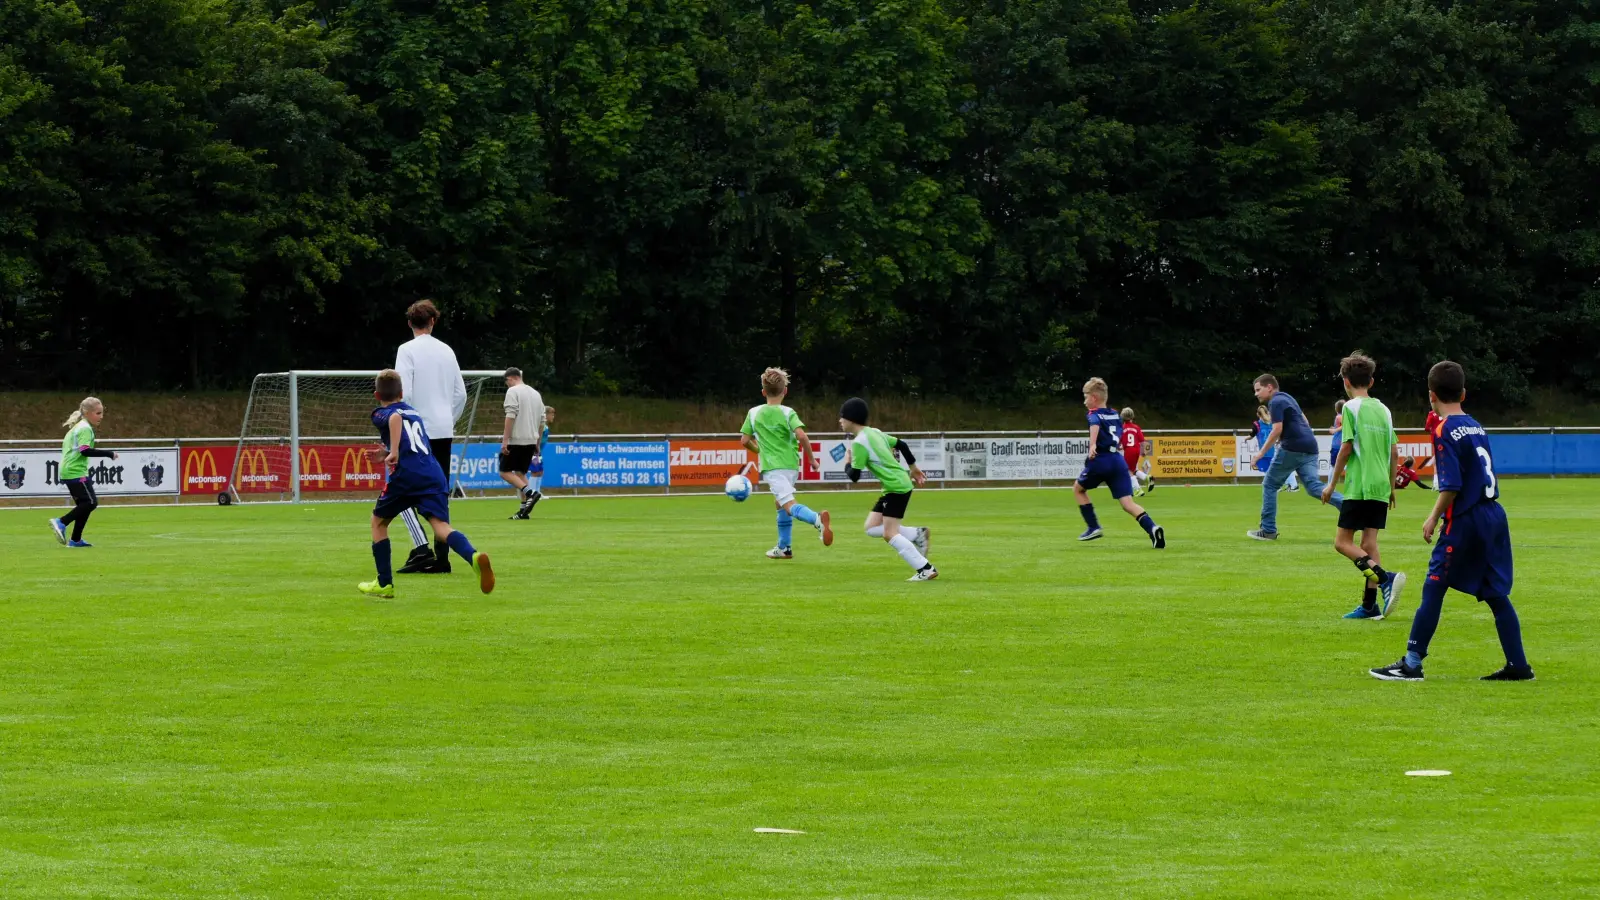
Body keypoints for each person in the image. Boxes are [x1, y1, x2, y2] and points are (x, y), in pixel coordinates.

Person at [1370, 361, 1532, 682]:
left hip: (1466, 517)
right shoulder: (1476, 425)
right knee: (1496, 594)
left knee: (1434, 584)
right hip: (1493, 515)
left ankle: (1412, 663)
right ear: (1464, 393)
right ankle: (1518, 665)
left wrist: (1432, 517)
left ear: (1431, 395)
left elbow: (1452, 485)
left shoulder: (1445, 430)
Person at [359, 370, 493, 599]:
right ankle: (473, 556)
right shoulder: (414, 411)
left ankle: (384, 584)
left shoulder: (381, 413)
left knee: (378, 523)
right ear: (401, 393)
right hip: (433, 472)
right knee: (440, 527)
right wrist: (387, 452)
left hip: (408, 475)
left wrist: (392, 452)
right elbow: (410, 440)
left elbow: (394, 419)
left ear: (376, 394)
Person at [1321, 353, 1404, 620]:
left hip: (1361, 485)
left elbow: (1346, 448)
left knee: (1342, 542)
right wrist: (1391, 486)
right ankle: (1370, 606)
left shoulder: (1350, 408)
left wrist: (1332, 484)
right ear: (1372, 381)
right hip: (1380, 484)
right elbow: (1394, 451)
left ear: (1346, 382)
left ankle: (1385, 577)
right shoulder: (1384, 410)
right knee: (1369, 543)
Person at [394, 299, 468, 574]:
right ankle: (442, 558)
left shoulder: (406, 350)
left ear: (410, 323)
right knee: (440, 493)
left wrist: (406, 426)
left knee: (399, 489)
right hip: (443, 430)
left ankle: (420, 547)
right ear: (433, 321)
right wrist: (447, 419)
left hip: (417, 430)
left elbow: (406, 393)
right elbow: (460, 394)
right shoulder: (447, 350)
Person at [838, 397, 937, 580]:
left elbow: (854, 476)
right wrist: (913, 468)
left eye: (842, 417)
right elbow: (902, 444)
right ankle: (918, 533)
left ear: (851, 419)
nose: (840, 421)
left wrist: (846, 462)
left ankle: (925, 568)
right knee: (871, 528)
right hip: (895, 486)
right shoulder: (874, 432)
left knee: (889, 533)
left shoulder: (859, 443)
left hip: (896, 488)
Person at [738, 367, 832, 558]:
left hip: (772, 468)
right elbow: (802, 437)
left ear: (763, 392)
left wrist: (760, 450)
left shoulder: (754, 413)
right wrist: (812, 460)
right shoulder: (789, 412)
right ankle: (784, 548)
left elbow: (744, 440)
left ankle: (816, 520)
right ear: (785, 391)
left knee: (788, 504)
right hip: (791, 466)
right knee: (779, 503)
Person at [1248, 374, 1341, 540]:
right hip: (1310, 445)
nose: (1256, 394)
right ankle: (1353, 509)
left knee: (1269, 485)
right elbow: (1304, 419)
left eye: (1258, 389)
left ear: (1269, 387)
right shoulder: (1288, 397)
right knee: (1314, 487)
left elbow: (1276, 430)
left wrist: (1260, 454)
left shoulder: (1275, 402)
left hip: (1292, 448)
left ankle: (1268, 530)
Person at [1075, 379, 1165, 548]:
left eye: (1086, 397)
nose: (1084, 400)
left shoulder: (1093, 414)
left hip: (1101, 460)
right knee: (1128, 503)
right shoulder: (1115, 414)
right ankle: (1153, 528)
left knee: (1078, 490)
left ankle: (1093, 527)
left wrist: (1093, 444)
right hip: (1117, 460)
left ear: (1094, 398)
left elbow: (1094, 424)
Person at [49, 397, 116, 548]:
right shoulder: (85, 428)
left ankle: (76, 540)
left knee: (84, 505)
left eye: (102, 413)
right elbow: (85, 451)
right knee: (90, 502)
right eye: (98, 413)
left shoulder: (79, 426)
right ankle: (61, 522)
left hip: (70, 470)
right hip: (74, 471)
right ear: (87, 413)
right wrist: (109, 454)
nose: (101, 416)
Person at [499, 367, 546, 519]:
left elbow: (510, 416)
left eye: (507, 383)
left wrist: (505, 440)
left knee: (504, 472)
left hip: (517, 439)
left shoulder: (513, 392)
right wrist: (537, 443)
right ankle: (523, 511)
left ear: (510, 379)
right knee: (520, 474)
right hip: (531, 440)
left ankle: (530, 493)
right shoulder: (536, 394)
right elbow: (542, 421)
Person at [1251, 406, 1297, 491]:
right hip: (1277, 447)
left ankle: (1290, 485)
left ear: (1258, 414)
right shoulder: (1273, 421)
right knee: (1280, 468)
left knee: (1279, 468)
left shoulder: (1268, 422)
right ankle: (1288, 485)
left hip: (1273, 449)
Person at [1120, 407, 1155, 497]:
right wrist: (1143, 452)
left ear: (1122, 417)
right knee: (1133, 469)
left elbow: (1120, 441)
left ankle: (1137, 490)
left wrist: (1118, 447)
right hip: (1136, 450)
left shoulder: (1122, 428)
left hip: (1129, 450)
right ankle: (1147, 478)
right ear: (1132, 416)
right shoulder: (1136, 428)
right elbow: (1142, 441)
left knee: (1128, 470)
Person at [1330, 398, 1346, 473]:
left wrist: (1335, 430)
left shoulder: (1339, 417)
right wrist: (1335, 428)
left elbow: (1345, 425)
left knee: (1333, 466)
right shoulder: (1342, 416)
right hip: (1341, 444)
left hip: (1337, 444)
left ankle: (1330, 483)